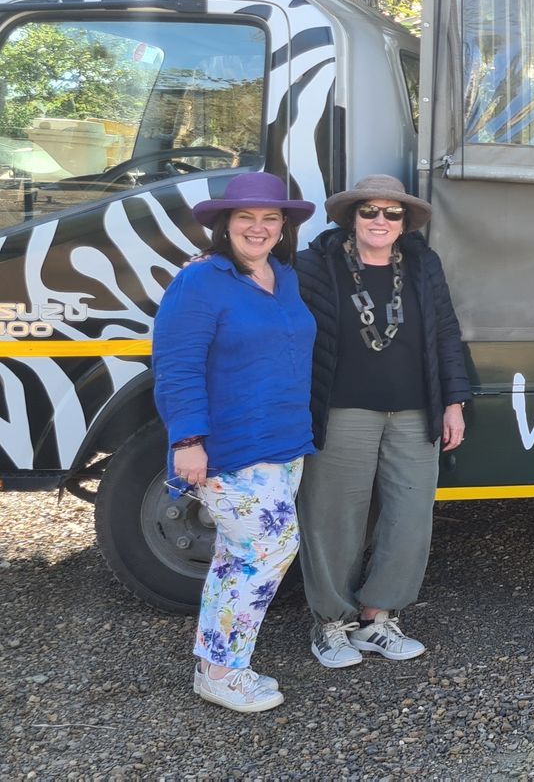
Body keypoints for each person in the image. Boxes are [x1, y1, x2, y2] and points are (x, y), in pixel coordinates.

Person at [153, 171, 317, 713]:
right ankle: (223, 672)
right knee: (268, 550)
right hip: (230, 444)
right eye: (245, 217)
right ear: (224, 224)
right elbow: (177, 367)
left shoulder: (284, 277)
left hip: (283, 442)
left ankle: (215, 664)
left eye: (270, 218)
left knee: (236, 556)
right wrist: (188, 441)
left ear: (282, 228)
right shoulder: (200, 281)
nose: (258, 227)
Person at [294, 175, 471, 668]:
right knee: (334, 516)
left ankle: (379, 617)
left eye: (391, 213)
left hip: (415, 413)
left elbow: (445, 333)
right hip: (342, 410)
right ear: (352, 217)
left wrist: (453, 401)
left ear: (404, 222)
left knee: (410, 517)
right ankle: (331, 622)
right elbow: (268, 297)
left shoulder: (422, 263)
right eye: (369, 211)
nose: (380, 221)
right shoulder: (315, 264)